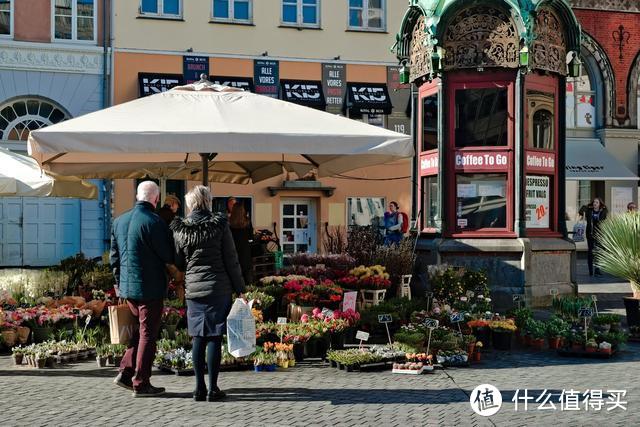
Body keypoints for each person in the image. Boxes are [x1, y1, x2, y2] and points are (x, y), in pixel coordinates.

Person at [171, 185, 246, 402]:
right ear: (207, 201)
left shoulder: (181, 228)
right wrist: (240, 288)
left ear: (190, 204)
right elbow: (231, 259)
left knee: (198, 337)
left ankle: (198, 388)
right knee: (214, 336)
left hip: (194, 290)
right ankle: (213, 388)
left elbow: (177, 261)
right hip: (218, 287)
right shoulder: (219, 225)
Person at [110, 181, 177, 397]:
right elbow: (167, 255)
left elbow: (114, 258)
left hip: (128, 289)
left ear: (137, 196)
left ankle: (126, 371)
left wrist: (119, 284)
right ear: (156, 199)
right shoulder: (155, 222)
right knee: (148, 334)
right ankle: (141, 382)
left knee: (141, 331)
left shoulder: (119, 221)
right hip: (149, 288)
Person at [579, 197, 608, 276]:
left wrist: (603, 209)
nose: (595, 203)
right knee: (590, 252)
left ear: (600, 204)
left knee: (598, 252)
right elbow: (581, 211)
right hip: (590, 234)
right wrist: (586, 206)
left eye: (597, 202)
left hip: (599, 234)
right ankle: (590, 270)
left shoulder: (603, 211)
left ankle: (597, 270)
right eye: (594, 202)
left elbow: (603, 218)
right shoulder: (589, 211)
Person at [229, 203, 254, 286]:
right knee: (247, 276)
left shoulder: (229, 222)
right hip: (245, 251)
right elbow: (251, 237)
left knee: (234, 276)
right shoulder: (247, 221)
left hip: (233, 250)